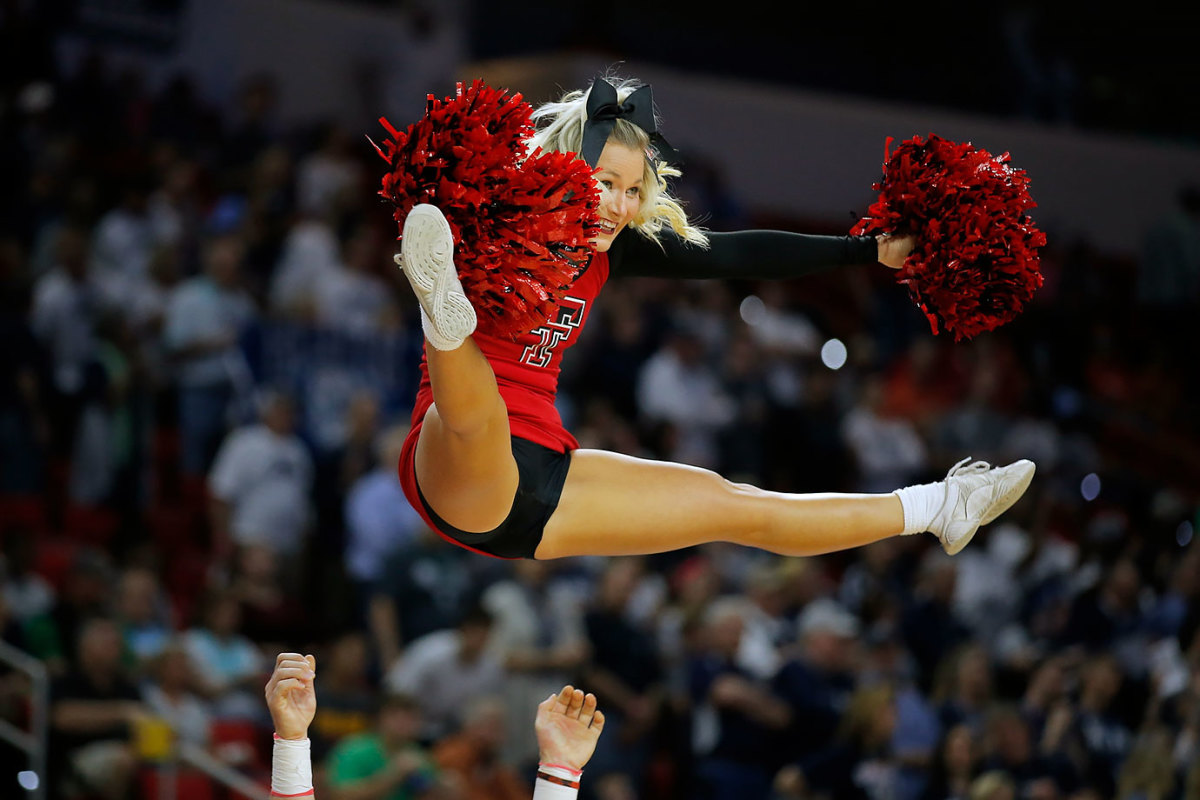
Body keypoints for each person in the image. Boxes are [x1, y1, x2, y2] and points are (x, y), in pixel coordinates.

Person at [389, 75, 1036, 564]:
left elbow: (738, 251)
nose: (620, 203)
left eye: (634, 190)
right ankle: (443, 315)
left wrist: (866, 250)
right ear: (567, 165)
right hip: (459, 466)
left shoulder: (615, 254)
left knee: (738, 505)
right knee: (477, 420)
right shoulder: (506, 219)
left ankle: (941, 506)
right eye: (606, 182)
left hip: (549, 481)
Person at [263, 653, 607, 798]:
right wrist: (291, 738)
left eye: (412, 717)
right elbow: (337, 796)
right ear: (382, 720)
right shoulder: (358, 749)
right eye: (399, 715)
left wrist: (560, 769)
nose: (406, 724)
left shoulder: (420, 756)